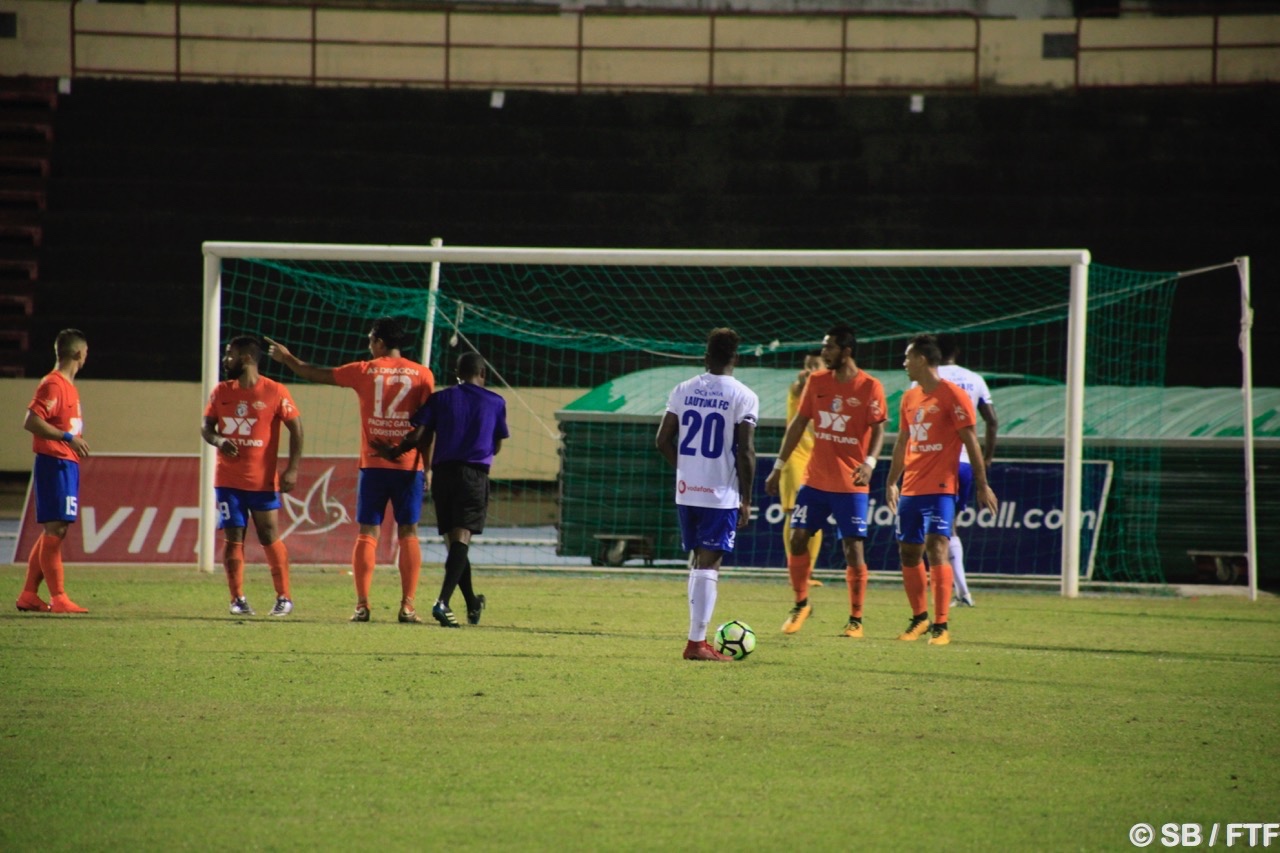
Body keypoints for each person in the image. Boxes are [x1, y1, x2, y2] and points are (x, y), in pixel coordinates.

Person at [266, 318, 434, 623]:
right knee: (408, 532)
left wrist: (287, 358)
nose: (369, 346)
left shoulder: (364, 371)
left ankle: (362, 605)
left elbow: (313, 372)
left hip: (373, 466)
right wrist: (428, 467)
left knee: (368, 532)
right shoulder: (423, 374)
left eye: (371, 340)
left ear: (380, 342)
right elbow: (427, 427)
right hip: (409, 467)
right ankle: (408, 606)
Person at [764, 325, 886, 638]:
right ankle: (800, 604)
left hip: (851, 482)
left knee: (853, 549)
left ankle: (855, 619)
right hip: (815, 479)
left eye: (829, 347)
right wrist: (778, 466)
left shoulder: (870, 386)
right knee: (797, 537)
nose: (824, 352)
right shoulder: (817, 381)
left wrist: (869, 463)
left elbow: (879, 429)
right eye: (823, 347)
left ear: (846, 351)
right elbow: (798, 424)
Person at [376, 351, 508, 628]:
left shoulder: (440, 399)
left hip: (443, 476)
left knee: (455, 543)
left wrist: (394, 452)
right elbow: (496, 445)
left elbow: (417, 435)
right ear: (483, 373)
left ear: (457, 374)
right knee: (462, 539)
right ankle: (442, 602)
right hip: (473, 475)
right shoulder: (496, 402)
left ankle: (472, 601)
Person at [885, 334, 998, 646]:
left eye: (907, 358)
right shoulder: (909, 398)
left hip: (942, 485)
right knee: (908, 551)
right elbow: (902, 442)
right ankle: (919, 618)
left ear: (921, 359)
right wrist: (892, 481)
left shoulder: (953, 395)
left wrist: (982, 484)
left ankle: (941, 625)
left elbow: (971, 441)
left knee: (937, 546)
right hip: (912, 486)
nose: (904, 363)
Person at [655, 327, 758, 662]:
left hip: (687, 492)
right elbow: (746, 451)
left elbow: (662, 441)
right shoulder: (744, 396)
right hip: (719, 494)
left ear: (706, 356)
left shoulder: (683, 389)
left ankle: (696, 640)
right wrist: (746, 498)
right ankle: (696, 644)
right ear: (735, 358)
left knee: (700, 562)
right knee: (710, 565)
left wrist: (687, 470)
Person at [201, 336, 303, 616]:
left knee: (269, 535)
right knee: (233, 537)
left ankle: (284, 598)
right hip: (228, 480)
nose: (226, 361)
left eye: (230, 355)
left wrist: (292, 468)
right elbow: (206, 427)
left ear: (246, 358)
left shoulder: (275, 391)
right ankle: (237, 599)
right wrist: (219, 440)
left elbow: (296, 428)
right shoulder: (221, 392)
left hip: (262, 481)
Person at [15, 329, 92, 614]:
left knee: (56, 529)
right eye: (86, 352)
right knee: (55, 528)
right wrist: (67, 438)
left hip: (66, 463)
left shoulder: (68, 386)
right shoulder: (54, 384)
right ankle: (58, 597)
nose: (87, 357)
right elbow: (31, 420)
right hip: (54, 462)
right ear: (78, 353)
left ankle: (28, 595)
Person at [936, 334, 999, 608]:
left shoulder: (928, 379)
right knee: (951, 526)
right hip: (965, 462)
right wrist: (986, 458)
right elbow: (992, 421)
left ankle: (962, 592)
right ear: (957, 352)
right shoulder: (975, 379)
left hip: (937, 461)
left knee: (940, 531)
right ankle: (961, 592)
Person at [778, 350, 825, 587]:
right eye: (807, 365)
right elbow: (798, 386)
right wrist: (804, 380)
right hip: (795, 458)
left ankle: (808, 572)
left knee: (816, 518)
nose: (809, 369)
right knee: (795, 513)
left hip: (818, 461)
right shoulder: (799, 388)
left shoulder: (831, 393)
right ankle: (793, 569)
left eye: (815, 365)